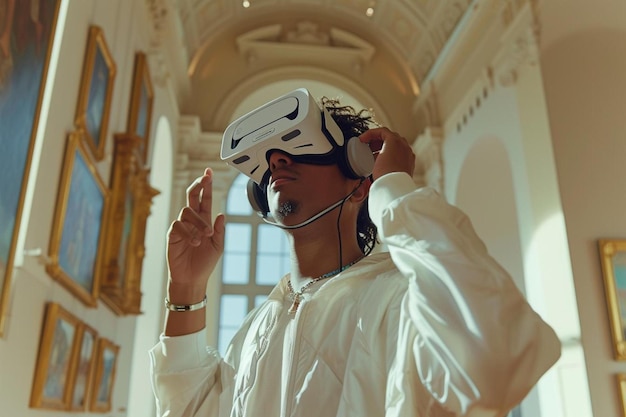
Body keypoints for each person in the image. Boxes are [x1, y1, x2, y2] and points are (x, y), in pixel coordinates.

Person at [150, 96, 561, 417]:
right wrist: (186, 288)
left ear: (361, 179)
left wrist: (397, 189)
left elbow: (497, 358)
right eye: (269, 157)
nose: (277, 160)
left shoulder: (399, 301)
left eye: (300, 147)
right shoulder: (256, 330)